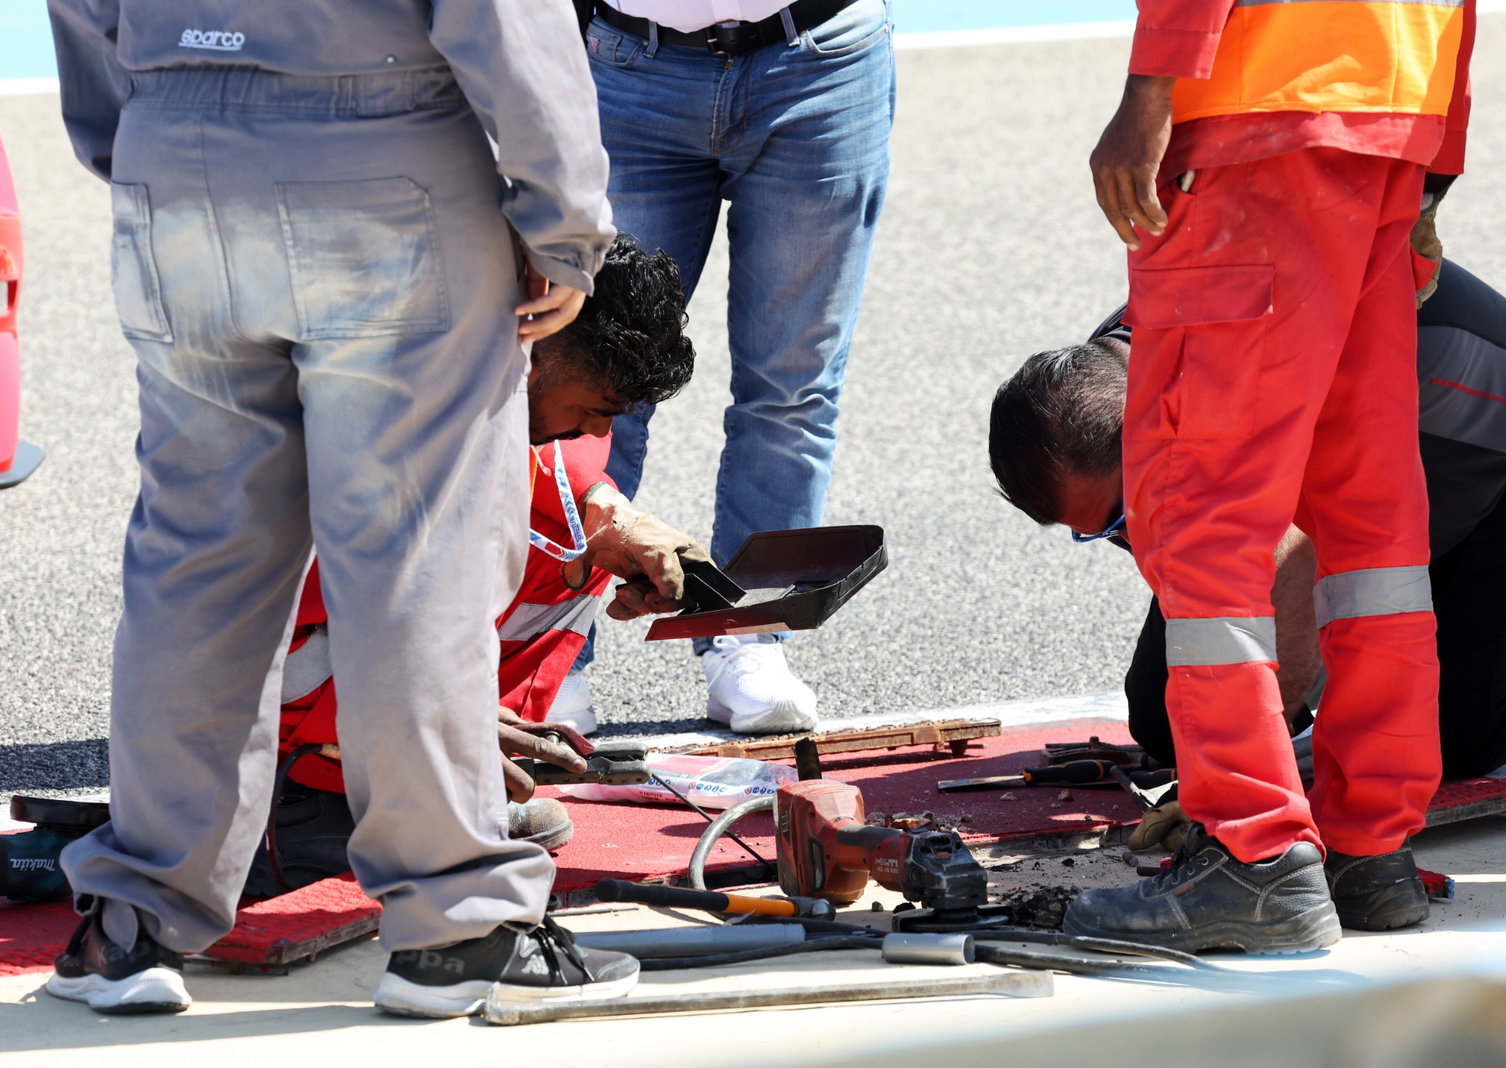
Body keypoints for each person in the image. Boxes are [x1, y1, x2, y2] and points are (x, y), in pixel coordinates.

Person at [47, 0, 637, 1021]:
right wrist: (565, 223)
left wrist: (149, 136)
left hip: (175, 152)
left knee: (197, 559)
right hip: (383, 151)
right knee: (416, 556)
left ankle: (132, 920)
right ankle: (455, 927)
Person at [1071, 0, 1469, 951]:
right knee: (1368, 520)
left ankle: (1254, 855)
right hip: (1391, 117)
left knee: (1202, 507)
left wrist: (1149, 92)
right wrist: (1435, 167)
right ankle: (1368, 851)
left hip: (1259, 121)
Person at [992, 255, 1506, 800]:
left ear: (1157, 439)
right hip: (1358, 428)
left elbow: (1298, 560)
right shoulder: (1121, 379)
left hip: (1502, 434)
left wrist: (1252, 786)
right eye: (1101, 533)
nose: (1132, 546)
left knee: (1460, 729)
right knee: (1169, 723)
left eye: (1123, 520)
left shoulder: (1264, 377)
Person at [256, 234, 703, 893]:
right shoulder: (396, 390)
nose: (598, 434)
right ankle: (315, 802)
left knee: (573, 562)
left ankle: (445, 778)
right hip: (263, 667)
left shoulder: (486, 360)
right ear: (544, 342)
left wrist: (610, 515)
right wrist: (426, 709)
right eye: (593, 410)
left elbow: (553, 476)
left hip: (348, 646)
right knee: (470, 562)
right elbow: (328, 594)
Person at [557, 0, 896, 735]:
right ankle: (551, 656)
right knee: (592, 376)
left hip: (820, 60)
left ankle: (749, 638)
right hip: (631, 64)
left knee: (792, 389)